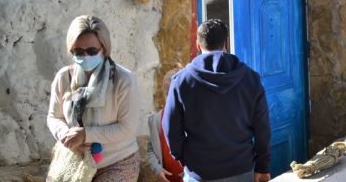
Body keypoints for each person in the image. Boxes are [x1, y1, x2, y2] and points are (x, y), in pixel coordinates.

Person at [163, 19, 271, 182]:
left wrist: (185, 159)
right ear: (225, 43)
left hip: (200, 171)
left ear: (198, 45)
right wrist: (262, 166)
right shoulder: (251, 79)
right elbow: (263, 128)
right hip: (241, 169)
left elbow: (171, 130)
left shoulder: (181, 82)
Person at [47, 15, 141, 181]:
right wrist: (65, 135)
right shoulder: (64, 77)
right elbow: (54, 116)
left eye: (91, 51)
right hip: (75, 159)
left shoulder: (123, 80)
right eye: (78, 51)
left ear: (104, 49)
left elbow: (127, 129)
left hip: (117, 161)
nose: (85, 56)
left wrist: (85, 135)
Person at [146, 67, 183, 182]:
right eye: (167, 94)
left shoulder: (193, 119)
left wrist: (191, 171)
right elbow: (151, 150)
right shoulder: (156, 120)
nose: (171, 99)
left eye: (175, 94)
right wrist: (158, 169)